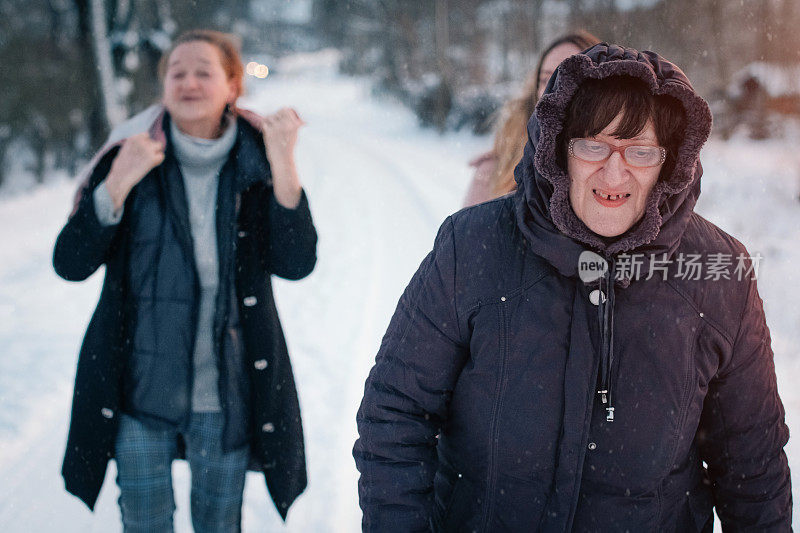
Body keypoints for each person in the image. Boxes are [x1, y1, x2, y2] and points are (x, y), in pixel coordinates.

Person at [354, 43, 791, 531]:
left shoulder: (718, 271)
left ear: (669, 165)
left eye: (641, 151)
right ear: (559, 150)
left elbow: (752, 464)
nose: (614, 171)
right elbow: (395, 416)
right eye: (593, 145)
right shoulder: (472, 247)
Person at [53, 29, 317, 531]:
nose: (189, 82)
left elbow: (296, 262)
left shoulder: (258, 161)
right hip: (139, 395)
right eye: (177, 72)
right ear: (164, 85)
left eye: (204, 72)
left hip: (227, 394)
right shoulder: (128, 156)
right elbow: (70, 262)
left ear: (232, 86)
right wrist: (118, 181)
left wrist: (285, 161)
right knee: (144, 522)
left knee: (219, 524)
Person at [463, 31, 599, 207]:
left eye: (570, 77)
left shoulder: (622, 171)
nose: (554, 87)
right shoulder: (495, 170)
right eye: (545, 79)